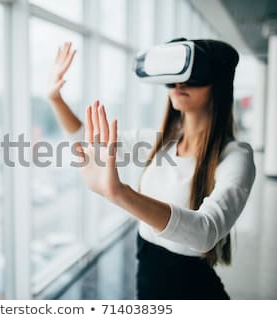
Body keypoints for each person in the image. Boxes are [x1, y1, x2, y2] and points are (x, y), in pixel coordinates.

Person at [47, 40, 256, 299]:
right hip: (147, 269)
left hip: (191, 286)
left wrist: (121, 193)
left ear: (219, 83)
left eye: (193, 78)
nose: (179, 85)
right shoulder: (161, 142)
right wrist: (55, 98)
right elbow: (88, 141)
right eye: (174, 78)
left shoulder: (236, 157)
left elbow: (206, 232)